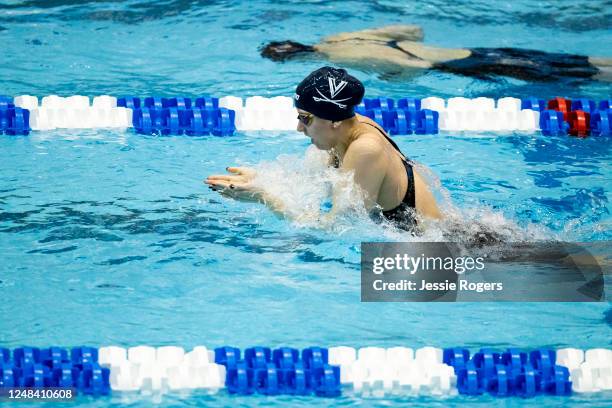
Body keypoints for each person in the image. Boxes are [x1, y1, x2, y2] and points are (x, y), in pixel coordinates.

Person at [205, 66, 442, 232]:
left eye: (305, 118)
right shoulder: (346, 131)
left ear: (333, 120)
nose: (299, 128)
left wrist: (266, 198)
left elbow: (339, 229)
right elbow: (312, 184)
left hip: (436, 255)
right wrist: (262, 180)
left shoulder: (366, 149)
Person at [260, 25, 612, 83]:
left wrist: (393, 79)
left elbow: (418, 65)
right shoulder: (339, 38)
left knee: (579, 75)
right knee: (574, 62)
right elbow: (413, 33)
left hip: (469, 63)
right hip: (479, 50)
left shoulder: (345, 60)